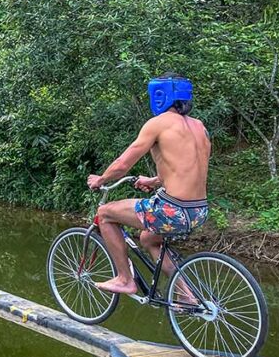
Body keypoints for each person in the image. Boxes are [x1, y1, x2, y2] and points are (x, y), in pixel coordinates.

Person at [86, 76, 210, 304]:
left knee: (105, 214)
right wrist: (154, 181)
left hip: (172, 210)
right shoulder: (199, 127)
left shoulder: (159, 123)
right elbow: (185, 170)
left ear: (159, 96)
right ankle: (186, 294)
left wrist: (101, 179)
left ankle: (125, 279)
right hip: (198, 211)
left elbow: (123, 164)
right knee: (149, 239)